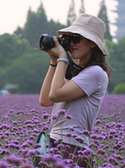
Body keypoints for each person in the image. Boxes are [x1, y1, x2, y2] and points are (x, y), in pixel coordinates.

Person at [39, 14, 111, 167]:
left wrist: (63, 59)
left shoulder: (96, 73)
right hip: (54, 144)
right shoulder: (78, 73)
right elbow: (45, 100)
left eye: (76, 39)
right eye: (69, 39)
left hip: (71, 149)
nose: (72, 44)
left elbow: (56, 94)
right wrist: (54, 61)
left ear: (92, 43)